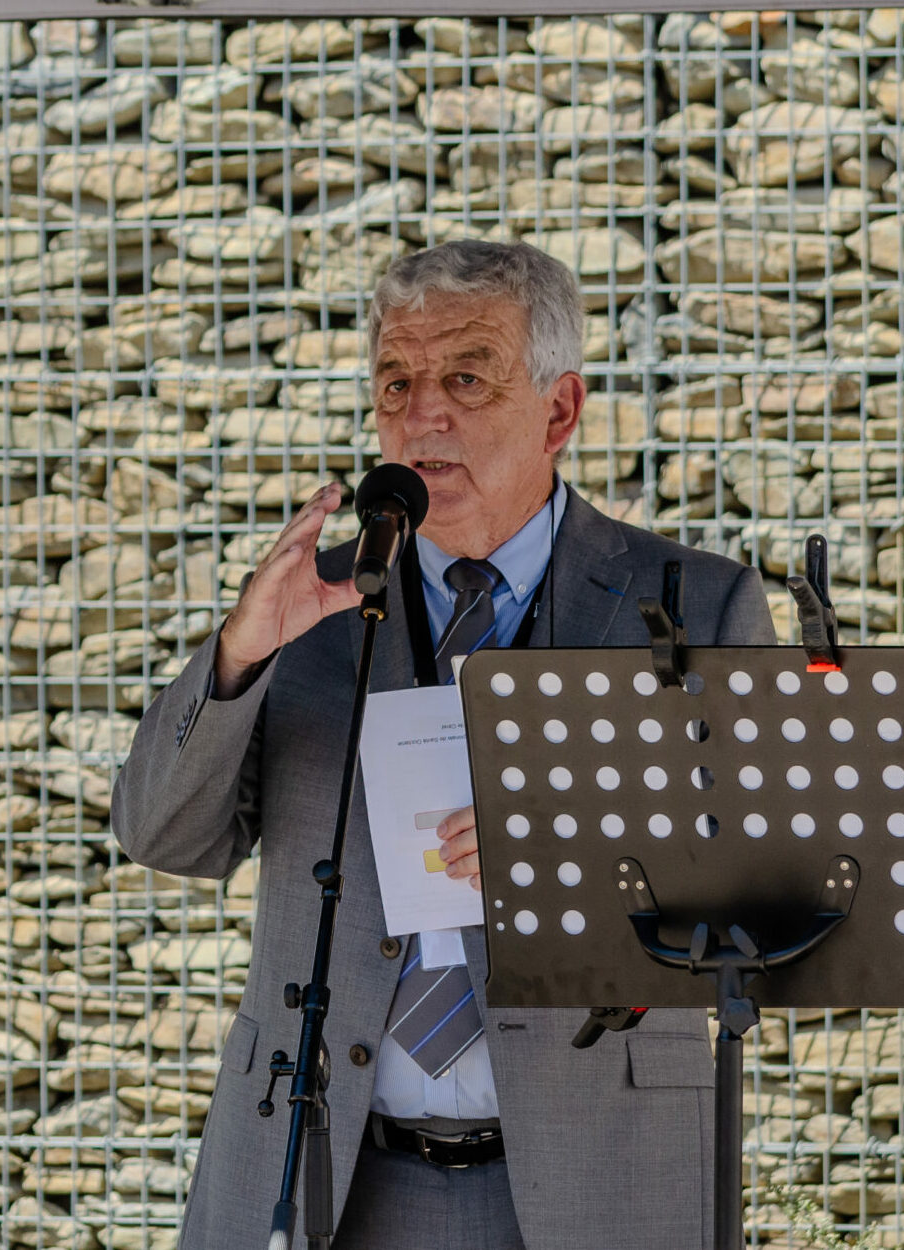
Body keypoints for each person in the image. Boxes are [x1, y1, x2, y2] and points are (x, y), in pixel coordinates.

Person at [112, 239, 776, 1250]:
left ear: (558, 411)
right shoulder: (311, 606)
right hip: (331, 1171)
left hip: (597, 1177)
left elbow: (775, 901)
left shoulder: (692, 604)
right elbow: (163, 835)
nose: (422, 414)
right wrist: (240, 652)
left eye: (465, 376)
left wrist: (577, 858)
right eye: (395, 381)